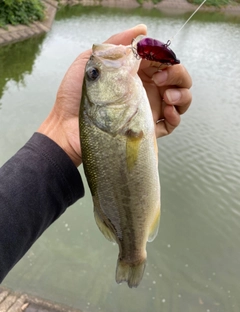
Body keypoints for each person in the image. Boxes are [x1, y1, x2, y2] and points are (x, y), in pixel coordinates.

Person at [0, 24, 192, 283]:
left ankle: (131, 253)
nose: (96, 68)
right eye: (94, 74)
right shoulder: (120, 118)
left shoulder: (123, 113)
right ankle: (132, 256)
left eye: (93, 74)